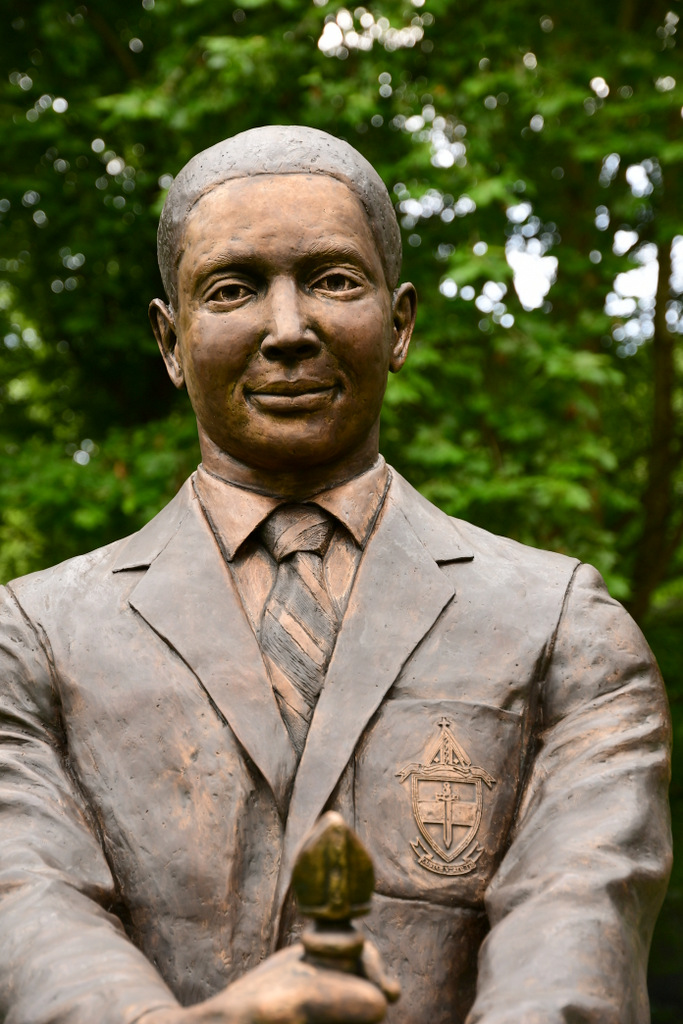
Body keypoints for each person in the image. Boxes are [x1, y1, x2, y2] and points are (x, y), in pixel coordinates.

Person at [0, 126, 671, 1024]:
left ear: (399, 325)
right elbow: (28, 911)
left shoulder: (562, 629)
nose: (287, 331)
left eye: (332, 280)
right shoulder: (34, 640)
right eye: (233, 289)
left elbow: (576, 946)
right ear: (170, 342)